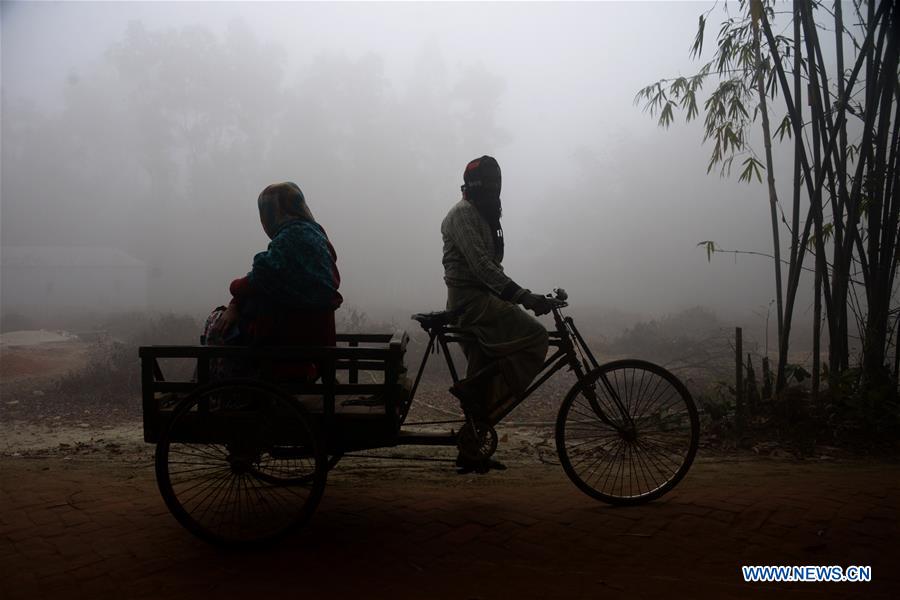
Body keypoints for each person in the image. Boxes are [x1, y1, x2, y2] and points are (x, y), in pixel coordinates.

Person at [441, 155, 558, 473]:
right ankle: (475, 398)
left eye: (497, 187)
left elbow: (493, 267)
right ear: (474, 187)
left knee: (488, 364)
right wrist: (522, 297)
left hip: (486, 301)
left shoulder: (486, 216)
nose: (494, 193)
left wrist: (519, 295)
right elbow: (481, 267)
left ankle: (473, 447)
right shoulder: (463, 215)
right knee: (535, 336)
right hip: (471, 304)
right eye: (489, 187)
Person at [204, 181, 342, 381]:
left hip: (282, 336)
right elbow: (271, 281)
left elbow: (258, 280)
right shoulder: (318, 238)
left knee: (217, 321)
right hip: (314, 337)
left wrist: (234, 289)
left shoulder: (288, 240)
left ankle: (225, 389)